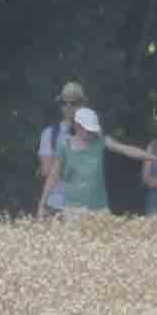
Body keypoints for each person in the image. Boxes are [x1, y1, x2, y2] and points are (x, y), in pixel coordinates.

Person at [33, 85, 96, 216]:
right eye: (64, 103)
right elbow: (46, 170)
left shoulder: (92, 135)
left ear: (81, 105)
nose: (68, 107)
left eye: (73, 103)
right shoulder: (49, 133)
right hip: (54, 204)